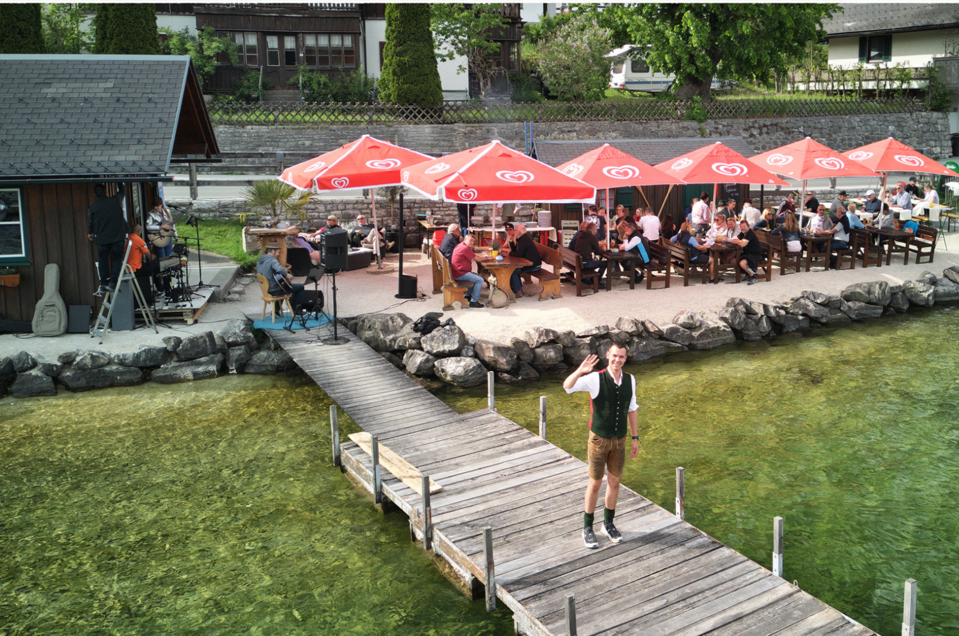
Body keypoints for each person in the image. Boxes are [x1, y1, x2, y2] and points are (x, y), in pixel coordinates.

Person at [563, 344, 639, 549]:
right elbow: (567, 387)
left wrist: (635, 438)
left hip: (620, 440)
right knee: (595, 483)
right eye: (614, 355)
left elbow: (632, 409)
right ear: (608, 356)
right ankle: (587, 528)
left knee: (615, 482)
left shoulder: (630, 380)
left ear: (626, 357)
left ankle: (608, 524)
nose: (618, 360)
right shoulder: (596, 378)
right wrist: (580, 370)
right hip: (598, 439)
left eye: (622, 356)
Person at [87, 182, 128, 295]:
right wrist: (119, 180)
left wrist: (89, 233)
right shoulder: (116, 201)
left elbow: (89, 222)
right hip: (117, 236)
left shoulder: (93, 208)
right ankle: (113, 283)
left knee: (103, 260)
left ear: (96, 194)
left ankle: (103, 284)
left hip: (102, 238)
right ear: (106, 191)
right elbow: (122, 191)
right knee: (117, 258)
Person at [257, 245, 304, 312]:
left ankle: (276, 311)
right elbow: (279, 269)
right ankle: (296, 311)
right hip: (274, 290)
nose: (278, 254)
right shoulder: (272, 260)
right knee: (300, 287)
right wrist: (286, 274)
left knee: (282, 285)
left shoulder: (259, 262)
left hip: (266, 291)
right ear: (273, 251)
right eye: (278, 252)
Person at [504, 223, 542, 296]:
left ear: (519, 232)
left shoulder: (524, 240)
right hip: (530, 263)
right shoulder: (521, 238)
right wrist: (511, 241)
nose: (514, 231)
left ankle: (518, 291)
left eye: (515, 230)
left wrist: (510, 253)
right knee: (514, 269)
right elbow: (515, 251)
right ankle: (519, 288)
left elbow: (518, 255)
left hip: (534, 265)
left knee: (513, 270)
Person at [450, 233, 485, 308]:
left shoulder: (460, 245)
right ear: (465, 239)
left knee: (476, 276)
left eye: (473, 241)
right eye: (470, 241)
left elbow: (474, 256)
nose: (472, 243)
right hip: (460, 273)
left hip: (457, 271)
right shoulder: (465, 248)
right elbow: (477, 259)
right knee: (480, 280)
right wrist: (488, 258)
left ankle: (467, 295)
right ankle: (473, 301)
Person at [573, 221, 608, 286]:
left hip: (578, 262)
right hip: (586, 263)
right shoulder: (592, 237)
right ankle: (597, 282)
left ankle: (592, 280)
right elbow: (598, 251)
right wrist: (603, 249)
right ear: (592, 230)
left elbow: (587, 246)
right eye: (596, 230)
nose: (596, 232)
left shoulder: (580, 235)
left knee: (597, 262)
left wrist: (596, 248)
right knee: (606, 263)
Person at [731, 219, 764, 285]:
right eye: (741, 226)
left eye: (744, 226)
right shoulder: (742, 233)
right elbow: (733, 241)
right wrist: (740, 241)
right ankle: (748, 275)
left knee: (742, 263)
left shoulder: (750, 234)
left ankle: (753, 277)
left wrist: (740, 242)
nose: (742, 228)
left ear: (748, 227)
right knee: (734, 259)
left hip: (755, 255)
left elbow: (742, 244)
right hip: (748, 254)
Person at [617, 220, 649, 285]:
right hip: (638, 256)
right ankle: (635, 276)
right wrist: (622, 246)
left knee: (628, 264)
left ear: (631, 229)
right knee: (623, 262)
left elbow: (627, 248)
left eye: (626, 229)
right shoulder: (632, 235)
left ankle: (638, 276)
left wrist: (625, 238)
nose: (625, 231)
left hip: (643, 258)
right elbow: (627, 245)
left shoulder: (636, 237)